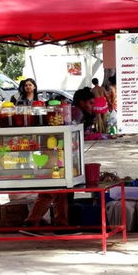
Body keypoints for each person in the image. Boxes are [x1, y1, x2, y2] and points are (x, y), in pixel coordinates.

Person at [24, 88, 95, 231]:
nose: (92, 106)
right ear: (82, 102)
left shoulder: (75, 112)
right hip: (55, 153)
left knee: (61, 190)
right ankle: (32, 221)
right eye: (91, 103)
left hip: (58, 153)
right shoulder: (76, 112)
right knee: (52, 189)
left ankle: (61, 222)